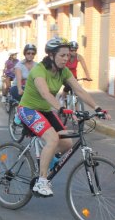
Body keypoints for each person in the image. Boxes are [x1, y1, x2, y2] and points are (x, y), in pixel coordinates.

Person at [17, 38, 110, 197]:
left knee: (67, 143)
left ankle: (48, 159)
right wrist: (61, 107)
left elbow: (79, 90)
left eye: (68, 55)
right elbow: (45, 93)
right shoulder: (39, 70)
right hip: (28, 109)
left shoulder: (64, 71)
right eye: (63, 55)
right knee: (53, 139)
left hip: (45, 110)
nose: (66, 59)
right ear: (52, 55)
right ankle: (41, 181)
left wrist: (97, 107)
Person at [59, 41, 92, 106]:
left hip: (73, 77)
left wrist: (88, 76)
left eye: (75, 50)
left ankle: (77, 111)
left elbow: (84, 67)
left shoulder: (79, 57)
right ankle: (62, 98)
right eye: (71, 50)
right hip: (64, 76)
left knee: (77, 91)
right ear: (69, 50)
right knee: (68, 86)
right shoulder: (65, 56)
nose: (73, 52)